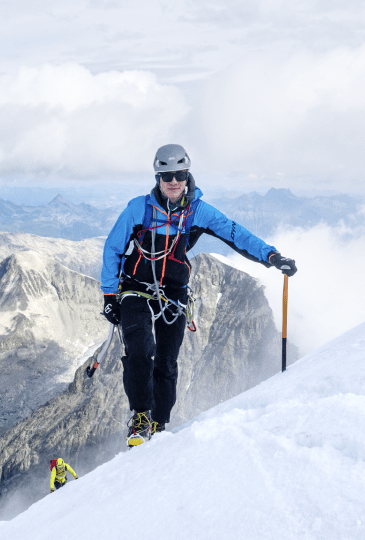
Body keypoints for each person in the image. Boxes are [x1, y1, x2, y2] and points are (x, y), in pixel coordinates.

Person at [100, 144, 297, 447]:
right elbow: (113, 248)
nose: (173, 181)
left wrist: (271, 256)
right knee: (139, 351)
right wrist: (110, 295)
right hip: (137, 287)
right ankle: (140, 416)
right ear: (158, 177)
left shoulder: (197, 210)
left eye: (179, 174)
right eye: (167, 175)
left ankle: (160, 423)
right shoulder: (138, 209)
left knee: (167, 361)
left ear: (187, 174)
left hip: (174, 292)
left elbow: (235, 233)